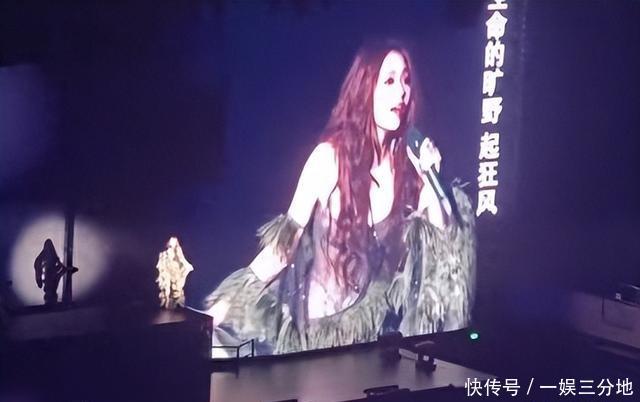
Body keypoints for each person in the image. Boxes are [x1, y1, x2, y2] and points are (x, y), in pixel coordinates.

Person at [204, 40, 476, 355]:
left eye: (405, 81)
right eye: (389, 81)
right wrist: (222, 308)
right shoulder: (329, 159)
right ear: (365, 90)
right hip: (310, 339)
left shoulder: (410, 169)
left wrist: (431, 175)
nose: (401, 92)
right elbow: (282, 249)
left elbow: (446, 252)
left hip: (367, 344)